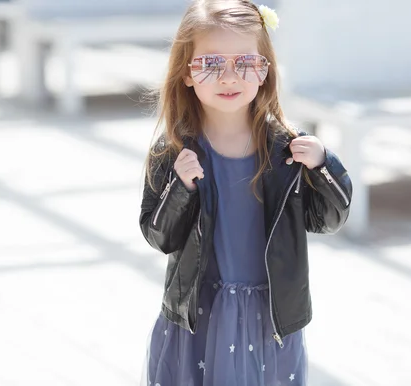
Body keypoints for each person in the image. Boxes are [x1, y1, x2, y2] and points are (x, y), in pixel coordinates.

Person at [139, 1, 353, 385]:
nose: (229, 78)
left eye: (244, 63)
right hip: (199, 315)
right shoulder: (173, 150)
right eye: (211, 64)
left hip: (270, 316)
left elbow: (328, 218)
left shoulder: (287, 150)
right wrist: (181, 188)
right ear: (186, 73)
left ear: (265, 69)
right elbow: (159, 236)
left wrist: (323, 166)